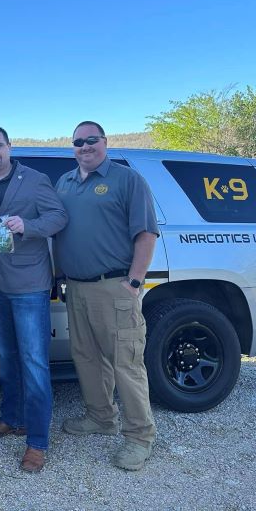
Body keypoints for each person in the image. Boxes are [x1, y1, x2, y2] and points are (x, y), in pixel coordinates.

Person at [54, 121, 160, 471]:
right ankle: (100, 417)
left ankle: (139, 437)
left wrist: (133, 283)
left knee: (126, 363)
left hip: (114, 286)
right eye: (78, 142)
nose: (84, 147)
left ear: (105, 142)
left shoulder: (127, 180)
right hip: (77, 287)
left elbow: (146, 235)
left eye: (91, 140)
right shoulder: (65, 183)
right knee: (86, 357)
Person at [0, 126, 67, 473]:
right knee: (6, 355)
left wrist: (28, 225)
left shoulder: (34, 179)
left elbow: (58, 217)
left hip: (28, 282)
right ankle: (12, 418)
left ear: (9, 148)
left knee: (35, 362)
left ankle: (37, 442)